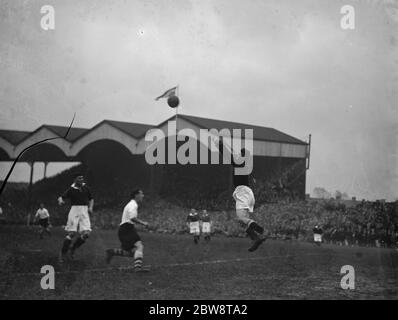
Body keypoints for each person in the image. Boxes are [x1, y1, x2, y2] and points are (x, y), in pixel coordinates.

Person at [105, 189, 150, 272]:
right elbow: (132, 218)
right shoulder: (133, 205)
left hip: (125, 229)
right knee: (139, 246)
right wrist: (144, 223)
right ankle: (138, 268)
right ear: (136, 195)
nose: (143, 196)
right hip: (127, 229)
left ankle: (112, 252)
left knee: (132, 253)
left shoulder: (131, 204)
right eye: (141, 194)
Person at [232, 148, 266, 252]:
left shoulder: (240, 163)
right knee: (242, 223)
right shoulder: (244, 164)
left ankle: (260, 231)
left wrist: (219, 145)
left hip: (243, 193)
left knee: (241, 219)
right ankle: (255, 238)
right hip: (247, 194)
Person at [57, 173, 94, 263]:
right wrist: (61, 201)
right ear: (75, 180)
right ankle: (63, 253)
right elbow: (61, 198)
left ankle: (72, 249)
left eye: (82, 178)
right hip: (75, 210)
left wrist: (90, 207)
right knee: (72, 233)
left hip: (84, 210)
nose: (81, 179)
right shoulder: (71, 189)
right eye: (79, 178)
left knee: (86, 234)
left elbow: (91, 198)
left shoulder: (86, 188)